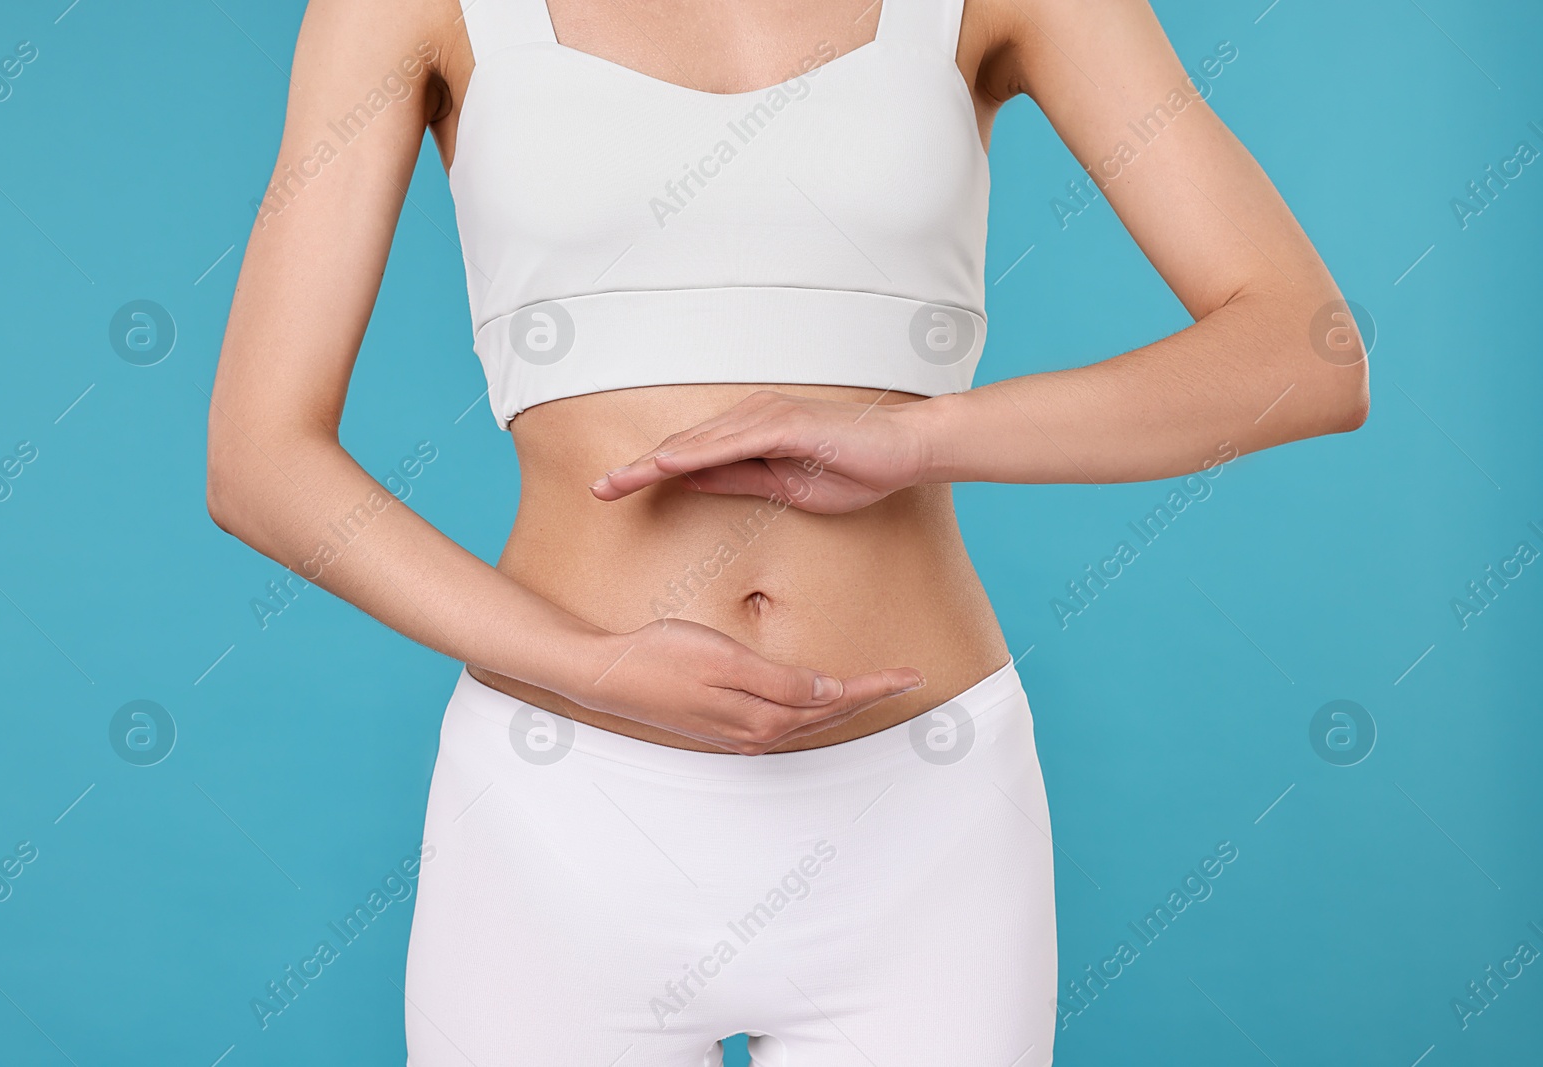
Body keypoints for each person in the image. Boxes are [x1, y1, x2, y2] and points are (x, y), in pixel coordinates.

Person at [206, 0, 1368, 1062]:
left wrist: (920, 438)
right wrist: (590, 663)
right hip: (559, 816)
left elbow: (1304, 355)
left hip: (922, 813)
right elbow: (259, 459)